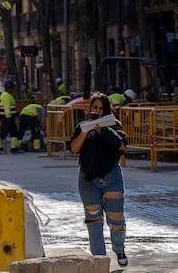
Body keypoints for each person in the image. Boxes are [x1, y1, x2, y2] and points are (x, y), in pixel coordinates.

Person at [69, 92, 128, 267]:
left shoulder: (114, 125)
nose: (98, 111)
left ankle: (119, 248)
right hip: (88, 178)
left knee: (116, 217)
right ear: (90, 109)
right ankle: (99, 259)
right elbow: (74, 148)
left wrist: (102, 129)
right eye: (95, 107)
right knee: (93, 218)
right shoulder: (83, 126)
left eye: (101, 108)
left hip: (111, 176)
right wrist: (86, 131)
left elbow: (121, 145)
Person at [0, 79, 20, 153]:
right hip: (7, 117)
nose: (12, 89)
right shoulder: (7, 96)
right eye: (11, 87)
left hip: (8, 117)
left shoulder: (6, 95)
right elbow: (7, 107)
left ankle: (14, 147)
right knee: (4, 132)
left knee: (13, 132)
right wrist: (9, 117)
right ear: (9, 87)